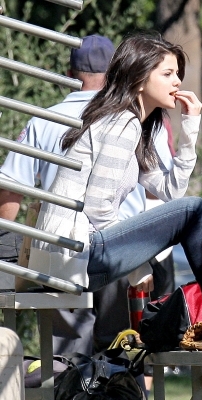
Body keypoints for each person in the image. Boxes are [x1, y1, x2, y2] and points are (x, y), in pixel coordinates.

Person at [28, 31, 202, 348]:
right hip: (77, 250)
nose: (177, 82)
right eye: (167, 74)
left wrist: (190, 127)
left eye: (178, 74)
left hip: (83, 249)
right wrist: (137, 266)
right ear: (140, 78)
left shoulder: (136, 127)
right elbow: (98, 208)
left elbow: (170, 190)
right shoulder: (121, 124)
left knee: (193, 212)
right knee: (194, 210)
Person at [0, 34, 175, 355]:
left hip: (63, 252)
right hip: (123, 250)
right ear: (121, 72)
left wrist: (8, 261)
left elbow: (11, 190)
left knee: (67, 358)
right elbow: (164, 189)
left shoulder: (45, 118)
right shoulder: (144, 117)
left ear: (69, 75)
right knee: (124, 355)